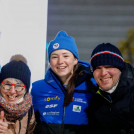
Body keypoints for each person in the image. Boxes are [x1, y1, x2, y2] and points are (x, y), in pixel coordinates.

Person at [31, 31, 96, 134]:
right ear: (50, 61)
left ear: (75, 60)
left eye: (65, 56)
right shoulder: (37, 89)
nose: (60, 61)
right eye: (55, 57)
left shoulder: (91, 86)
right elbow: (26, 123)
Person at [89, 43, 134, 134]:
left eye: (108, 67)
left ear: (120, 69)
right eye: (98, 68)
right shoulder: (93, 97)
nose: (103, 73)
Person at [0, 54, 36, 134]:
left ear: (26, 90)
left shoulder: (29, 112)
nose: (12, 91)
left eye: (19, 86)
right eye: (7, 84)